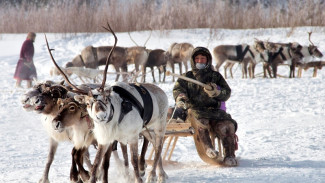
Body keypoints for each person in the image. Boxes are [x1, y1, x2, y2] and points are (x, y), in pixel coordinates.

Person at [173, 47, 238, 166]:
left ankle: (229, 156)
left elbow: (226, 93)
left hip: (216, 112)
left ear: (208, 60)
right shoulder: (186, 77)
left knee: (227, 126)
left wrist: (218, 93)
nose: (200, 61)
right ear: (193, 60)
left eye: (202, 59)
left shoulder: (216, 76)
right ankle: (209, 149)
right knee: (201, 123)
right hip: (196, 111)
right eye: (197, 58)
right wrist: (180, 97)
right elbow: (178, 90)